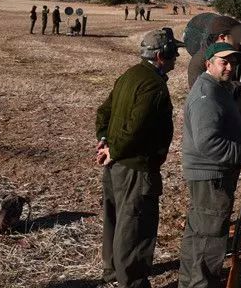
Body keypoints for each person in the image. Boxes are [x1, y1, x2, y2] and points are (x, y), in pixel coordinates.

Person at [95, 28, 184, 288]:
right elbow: (136, 128)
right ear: (160, 55)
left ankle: (112, 274)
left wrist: (104, 142)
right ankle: (131, 282)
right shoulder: (154, 85)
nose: (177, 56)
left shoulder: (129, 75)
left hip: (115, 166)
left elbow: (104, 112)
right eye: (173, 52)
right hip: (136, 168)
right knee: (135, 227)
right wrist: (116, 148)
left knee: (114, 219)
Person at [178, 42, 241, 288]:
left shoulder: (216, 88)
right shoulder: (207, 94)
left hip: (209, 176)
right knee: (210, 238)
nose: (229, 67)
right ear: (208, 64)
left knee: (199, 234)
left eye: (232, 62)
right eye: (223, 62)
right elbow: (208, 143)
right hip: (212, 177)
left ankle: (190, 283)